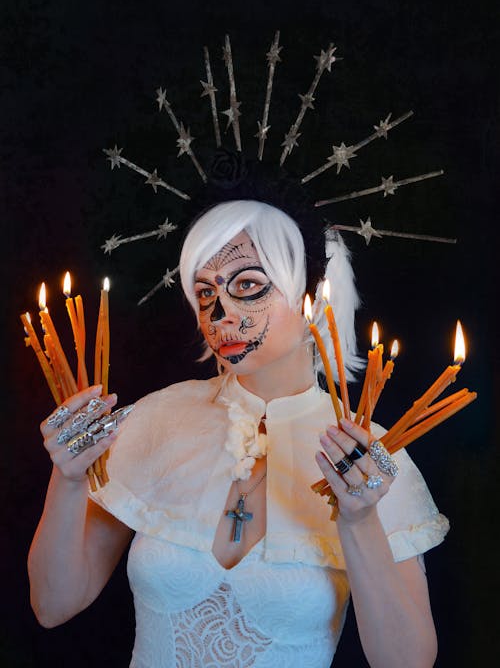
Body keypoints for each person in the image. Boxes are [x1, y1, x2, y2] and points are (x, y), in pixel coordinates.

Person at [28, 196, 448, 668]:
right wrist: (66, 479)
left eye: (247, 284)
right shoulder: (157, 418)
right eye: (206, 292)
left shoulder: (370, 457)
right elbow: (53, 604)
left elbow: (407, 662)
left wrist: (360, 520)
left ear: (312, 294)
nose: (219, 313)